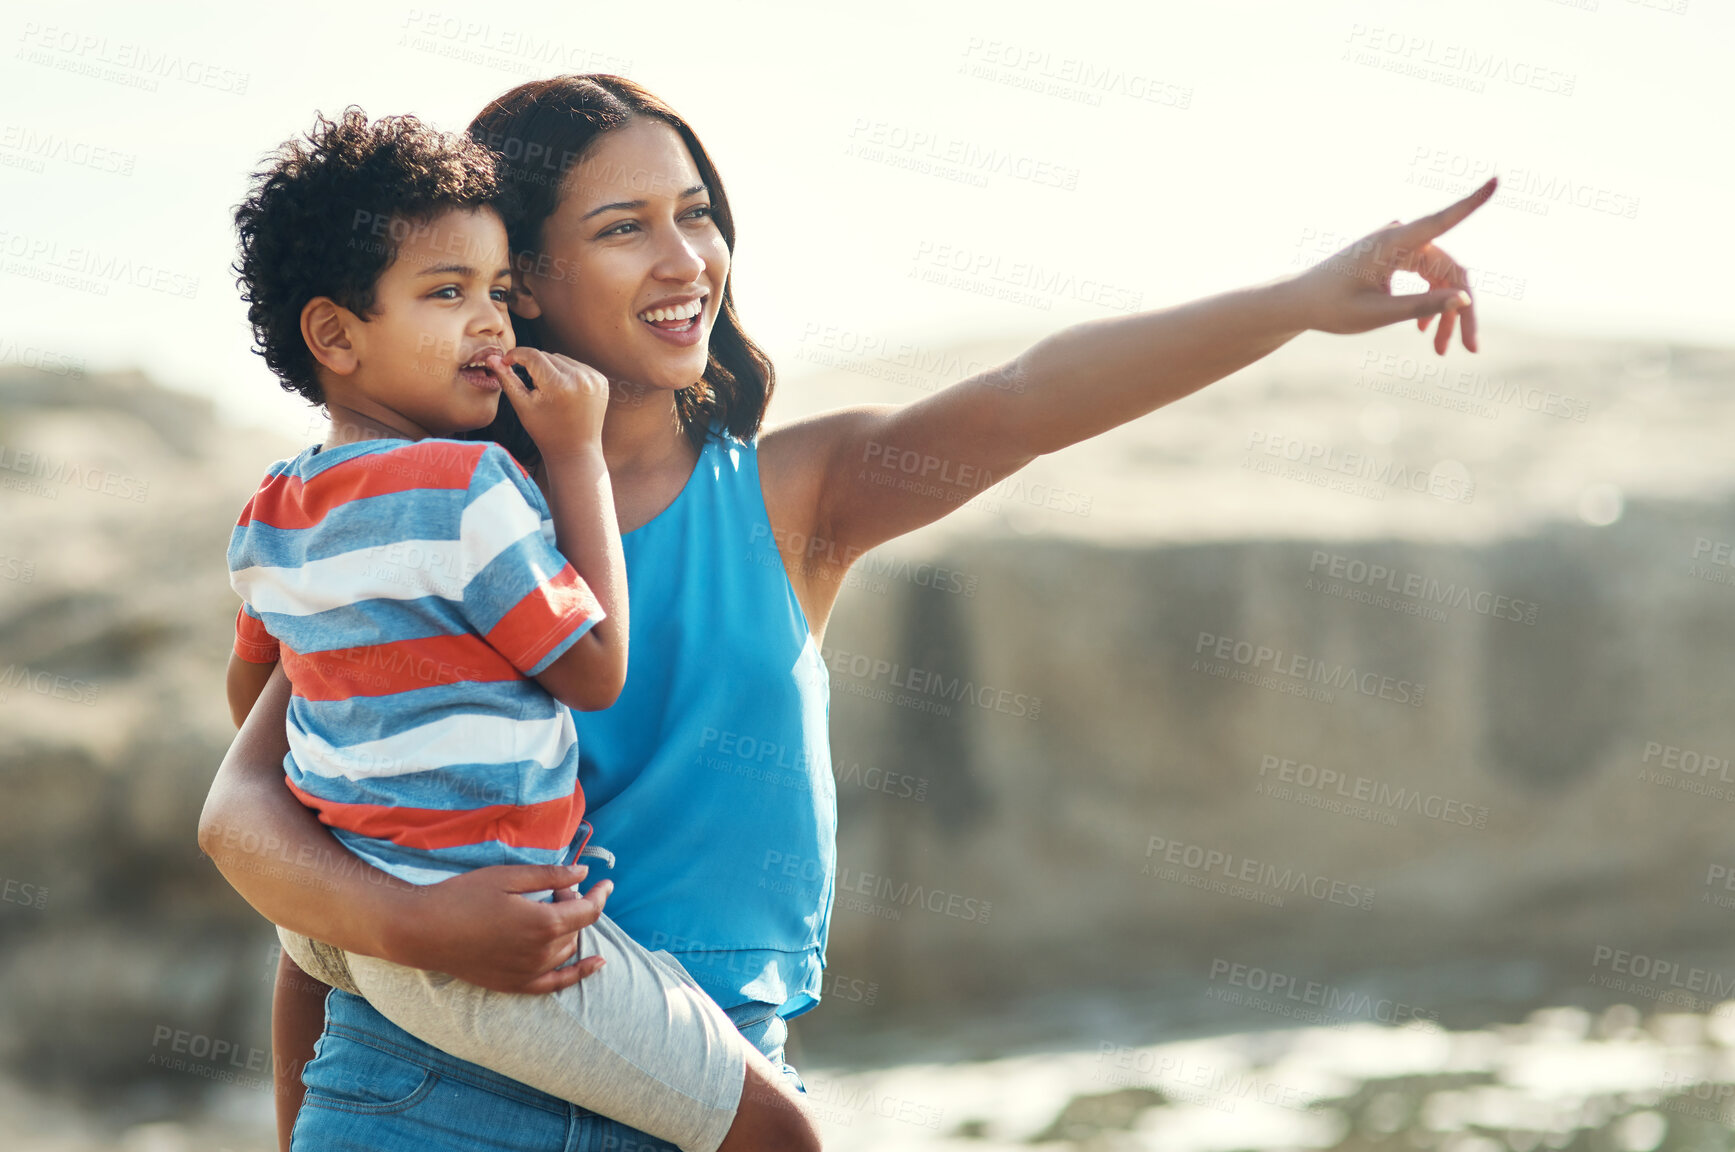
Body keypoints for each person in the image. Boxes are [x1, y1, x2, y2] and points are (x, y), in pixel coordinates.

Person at [199, 73, 1495, 1152]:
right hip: (425, 1103)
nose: (684, 259)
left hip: (710, 1103)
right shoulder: (429, 525)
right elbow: (270, 841)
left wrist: (1297, 300)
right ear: (518, 279)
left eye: (695, 213)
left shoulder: (790, 498)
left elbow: (1027, 396)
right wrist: (390, 966)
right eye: (623, 226)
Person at [216, 105, 818, 1152]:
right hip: (500, 929)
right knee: (783, 1136)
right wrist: (574, 456)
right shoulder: (472, 484)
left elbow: (254, 702)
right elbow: (593, 670)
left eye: (497, 291)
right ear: (334, 334)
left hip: (345, 921)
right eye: (450, 295)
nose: (491, 322)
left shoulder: (270, 509)